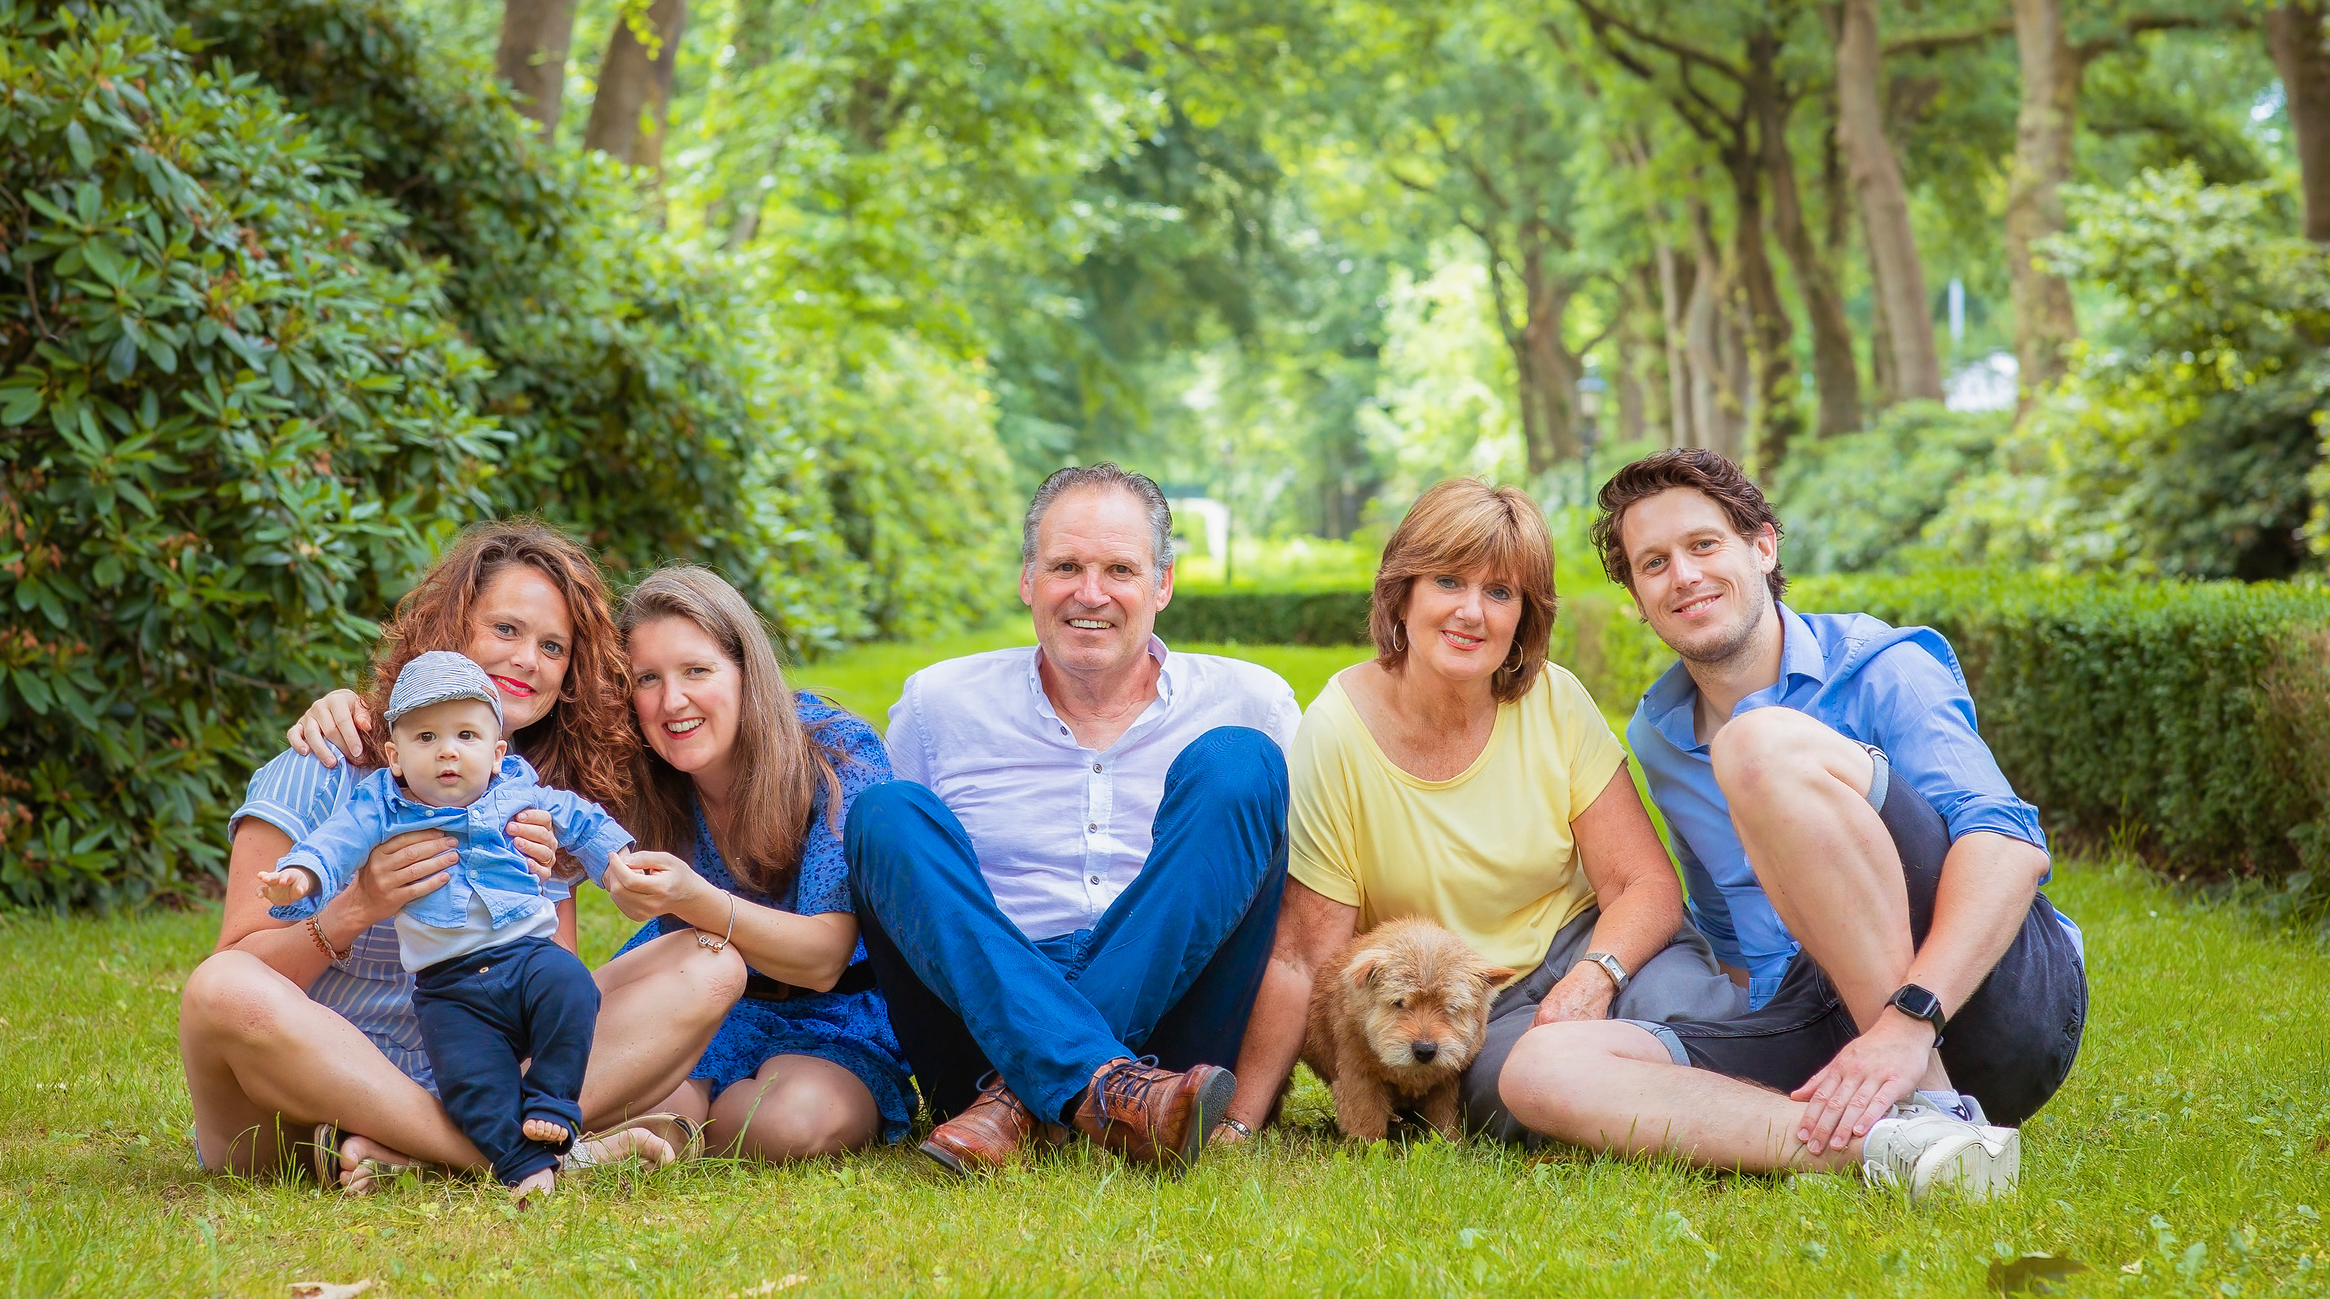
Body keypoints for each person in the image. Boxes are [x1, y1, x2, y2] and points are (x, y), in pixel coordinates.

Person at [1498, 450, 2089, 1201]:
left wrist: (1907, 1024)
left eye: (1704, 545)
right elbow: (1732, 931)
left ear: (1763, 547)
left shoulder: (1883, 666)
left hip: (1985, 1001)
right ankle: (1891, 1148)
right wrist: (1721, 1053)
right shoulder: (1659, 735)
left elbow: (2008, 849)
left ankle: (1930, 1100)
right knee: (1540, 1065)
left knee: (1756, 745)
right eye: (1654, 563)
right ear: (1638, 599)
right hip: (1823, 1023)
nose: (1684, 576)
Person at [180, 519, 745, 1192]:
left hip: (475, 1070)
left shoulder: (529, 802)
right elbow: (238, 971)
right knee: (222, 987)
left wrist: (537, 887)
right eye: (506, 630)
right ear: (449, 629)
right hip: (304, 1101)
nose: (528, 660)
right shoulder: (326, 762)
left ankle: (437, 1152)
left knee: (711, 963)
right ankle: (511, 1158)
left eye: (553, 647)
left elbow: (542, 1010)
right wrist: (358, 906)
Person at [1213, 478, 1742, 1145]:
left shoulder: (1555, 699)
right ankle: (1764, 1125)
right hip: (1469, 1001)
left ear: (1524, 616)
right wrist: (1240, 1116)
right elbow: (1303, 958)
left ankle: (1790, 1103)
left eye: (1499, 593)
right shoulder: (1338, 731)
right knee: (1526, 1091)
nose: (1472, 612)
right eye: (1448, 582)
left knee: (1698, 1018)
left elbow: (1643, 884)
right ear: (1402, 592)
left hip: (1596, 946)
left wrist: (1594, 977)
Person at [844, 464, 1299, 1176]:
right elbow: (904, 898)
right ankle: (1111, 1095)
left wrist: (1245, 1113)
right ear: (1028, 579)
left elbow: (1296, 921)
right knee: (884, 815)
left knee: (1239, 762)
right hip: (981, 1026)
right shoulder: (938, 705)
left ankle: (1016, 1106)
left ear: (1162, 584)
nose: (1091, 593)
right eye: (1065, 567)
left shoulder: (1254, 701)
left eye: (1120, 569)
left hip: (1180, 1036)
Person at [258, 651, 637, 1199]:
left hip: (528, 955)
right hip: (449, 986)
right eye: (426, 738)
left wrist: (617, 861)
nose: (448, 751)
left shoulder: (518, 789)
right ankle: (524, 1163)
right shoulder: (381, 805)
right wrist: (301, 876)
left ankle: (553, 1102)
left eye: (466, 735)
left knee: (573, 988)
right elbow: (335, 844)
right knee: (471, 1079)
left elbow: (581, 818)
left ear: (497, 752)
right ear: (395, 756)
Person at [573, 565, 916, 1164]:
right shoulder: (639, 764)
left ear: (745, 671)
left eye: (696, 671)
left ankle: (672, 1125)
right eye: (648, 678)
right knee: (633, 1106)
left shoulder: (833, 750)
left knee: (784, 1125)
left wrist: (692, 898)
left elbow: (826, 959)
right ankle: (648, 1128)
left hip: (833, 1011)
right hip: (699, 996)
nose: (672, 701)